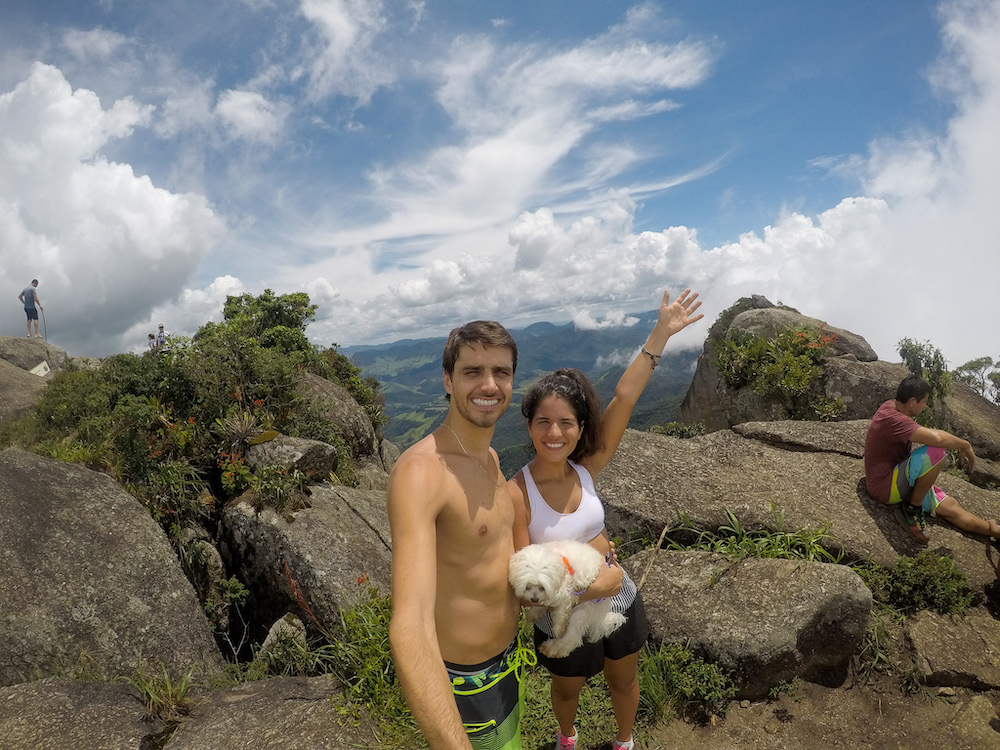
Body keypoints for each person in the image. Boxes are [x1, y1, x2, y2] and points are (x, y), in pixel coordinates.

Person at [387, 320, 625, 750]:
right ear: (447, 380)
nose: (489, 384)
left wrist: (586, 575)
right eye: (472, 371)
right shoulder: (421, 473)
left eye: (501, 372)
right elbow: (410, 625)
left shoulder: (491, 458)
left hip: (506, 663)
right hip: (465, 679)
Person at [509, 289, 704, 750]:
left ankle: (624, 741)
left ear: (580, 428)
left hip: (620, 596)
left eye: (566, 423)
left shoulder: (586, 466)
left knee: (623, 679)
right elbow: (521, 586)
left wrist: (661, 333)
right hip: (561, 612)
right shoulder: (516, 494)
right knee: (566, 689)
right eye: (543, 421)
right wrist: (590, 587)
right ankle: (568, 737)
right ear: (529, 425)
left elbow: (625, 395)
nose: (554, 433)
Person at [864, 374, 1000, 544]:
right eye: (924, 402)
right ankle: (912, 510)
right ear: (913, 401)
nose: (925, 406)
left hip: (899, 480)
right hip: (884, 486)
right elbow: (936, 439)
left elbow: (934, 434)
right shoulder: (892, 419)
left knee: (950, 505)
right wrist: (965, 445)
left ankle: (992, 529)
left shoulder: (892, 406)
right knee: (935, 452)